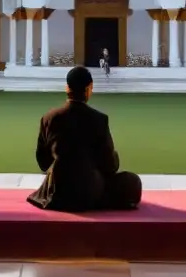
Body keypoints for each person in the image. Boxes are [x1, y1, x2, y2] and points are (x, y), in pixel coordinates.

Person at [27, 65, 142, 212]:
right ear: (89, 89)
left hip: (57, 192)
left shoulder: (49, 118)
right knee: (132, 182)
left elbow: (43, 162)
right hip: (90, 190)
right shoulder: (99, 119)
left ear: (67, 88)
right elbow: (109, 165)